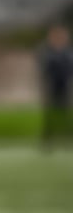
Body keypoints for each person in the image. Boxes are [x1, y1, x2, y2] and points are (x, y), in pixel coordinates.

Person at [37, 23, 73, 151]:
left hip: (64, 85)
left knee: (65, 113)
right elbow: (45, 68)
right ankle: (47, 140)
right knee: (50, 115)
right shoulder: (46, 51)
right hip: (52, 85)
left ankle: (67, 138)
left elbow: (69, 68)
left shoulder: (67, 52)